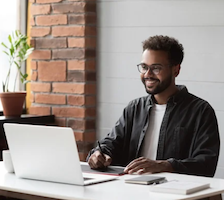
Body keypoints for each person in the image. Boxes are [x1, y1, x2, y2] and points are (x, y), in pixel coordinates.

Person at [87, 35, 220, 177]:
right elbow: (111, 144)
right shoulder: (134, 108)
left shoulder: (200, 111)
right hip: (131, 190)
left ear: (176, 70)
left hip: (176, 194)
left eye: (156, 68)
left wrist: (164, 166)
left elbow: (206, 164)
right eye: (144, 67)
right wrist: (99, 154)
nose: (147, 74)